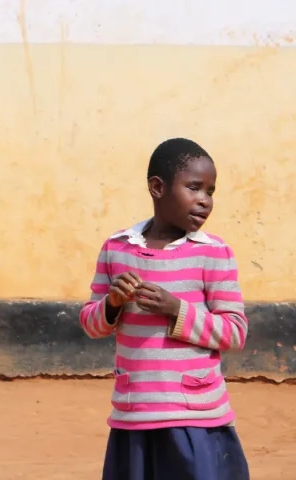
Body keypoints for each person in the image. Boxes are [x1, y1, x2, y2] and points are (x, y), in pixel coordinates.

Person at [78, 138, 250, 480]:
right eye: (194, 187)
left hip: (195, 418)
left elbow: (235, 333)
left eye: (211, 191)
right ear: (158, 188)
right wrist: (112, 303)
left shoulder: (214, 253)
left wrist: (177, 310)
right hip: (134, 414)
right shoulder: (117, 248)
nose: (205, 200)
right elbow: (91, 323)